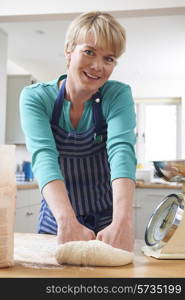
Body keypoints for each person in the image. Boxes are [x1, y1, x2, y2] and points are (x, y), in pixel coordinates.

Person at [20, 11, 137, 252]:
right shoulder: (35, 98)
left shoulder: (117, 95)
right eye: (89, 52)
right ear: (69, 51)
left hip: (108, 225)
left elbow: (121, 151)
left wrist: (123, 222)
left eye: (109, 59)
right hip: (58, 222)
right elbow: (43, 156)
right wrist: (67, 220)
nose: (98, 66)